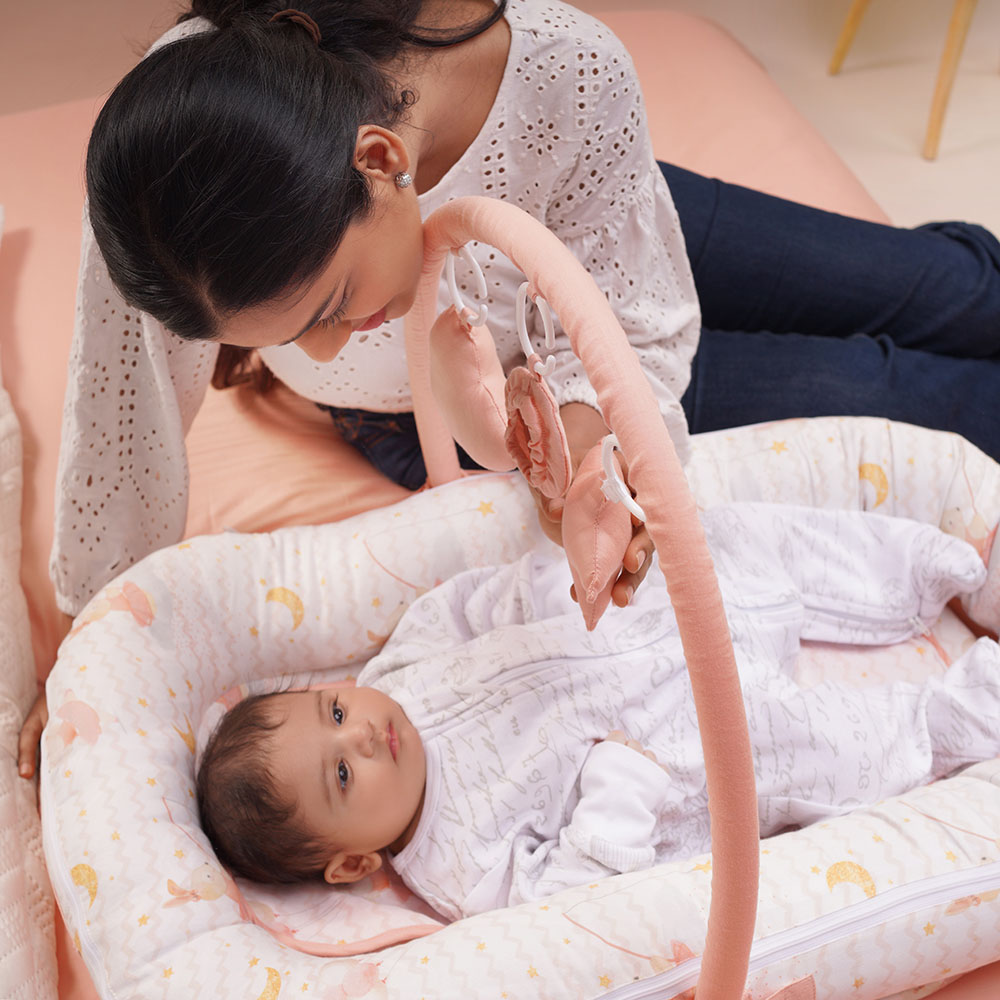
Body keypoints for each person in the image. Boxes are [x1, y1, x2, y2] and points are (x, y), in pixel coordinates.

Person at [20, 0, 1000, 770]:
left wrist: (596, 412)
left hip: (594, 234)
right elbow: (123, 415)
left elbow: (639, 314)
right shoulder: (172, 170)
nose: (316, 357)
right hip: (456, 400)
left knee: (957, 293)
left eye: (327, 307)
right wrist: (92, 646)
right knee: (905, 391)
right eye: (287, 339)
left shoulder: (558, 72)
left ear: (379, 160)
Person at [196, 503, 1000, 918]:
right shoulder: (459, 866)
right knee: (840, 752)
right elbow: (574, 898)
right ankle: (970, 709)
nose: (365, 731)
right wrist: (621, 785)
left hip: (646, 616)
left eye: (335, 710)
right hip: (687, 745)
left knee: (742, 536)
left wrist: (560, 582)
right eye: (343, 772)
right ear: (352, 864)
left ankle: (948, 574)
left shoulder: (399, 672)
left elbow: (474, 603)